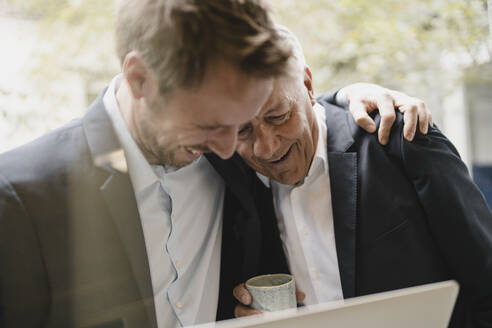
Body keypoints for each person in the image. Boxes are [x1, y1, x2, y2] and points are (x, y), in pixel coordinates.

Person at [0, 2, 432, 328]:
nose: (233, 149)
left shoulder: (234, 155)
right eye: (210, 124)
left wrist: (347, 98)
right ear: (140, 79)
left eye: (240, 124)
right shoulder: (20, 199)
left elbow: (294, 112)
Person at [228, 27, 492, 328]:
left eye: (278, 116)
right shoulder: (236, 184)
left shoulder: (402, 139)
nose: (266, 148)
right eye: (242, 131)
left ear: (307, 85)